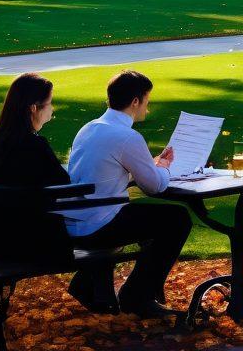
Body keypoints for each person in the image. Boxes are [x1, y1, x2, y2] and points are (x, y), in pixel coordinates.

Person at [65, 70, 191, 318]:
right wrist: (163, 168)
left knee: (153, 219)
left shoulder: (89, 128)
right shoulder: (127, 136)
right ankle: (137, 296)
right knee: (178, 219)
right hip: (98, 223)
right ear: (135, 101)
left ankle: (93, 281)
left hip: (75, 220)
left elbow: (106, 172)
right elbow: (154, 187)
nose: (148, 108)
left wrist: (150, 168)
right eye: (147, 101)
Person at [0, 73, 74, 263]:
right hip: (36, 243)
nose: (52, 109)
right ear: (33, 108)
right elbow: (64, 184)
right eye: (50, 103)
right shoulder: (35, 145)